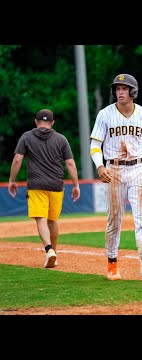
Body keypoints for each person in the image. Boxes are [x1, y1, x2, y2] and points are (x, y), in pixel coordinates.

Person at [89, 73, 142, 281]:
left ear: (133, 91)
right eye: (117, 89)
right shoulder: (105, 114)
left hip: (138, 169)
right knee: (114, 221)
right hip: (114, 170)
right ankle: (112, 264)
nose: (120, 92)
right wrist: (100, 165)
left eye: (124, 88)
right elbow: (95, 145)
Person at [8, 109, 81, 268]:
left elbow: (17, 159)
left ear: (36, 121)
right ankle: (53, 252)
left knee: (40, 218)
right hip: (56, 184)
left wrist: (12, 180)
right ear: (52, 123)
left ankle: (49, 251)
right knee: (53, 220)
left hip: (36, 184)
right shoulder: (61, 139)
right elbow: (70, 163)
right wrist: (75, 185)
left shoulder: (27, 137)